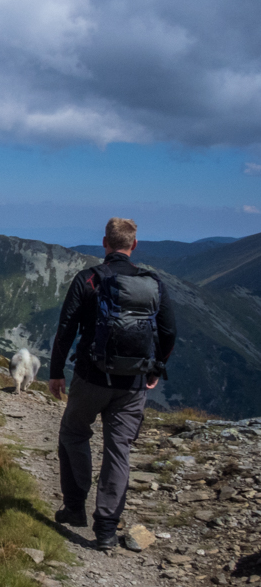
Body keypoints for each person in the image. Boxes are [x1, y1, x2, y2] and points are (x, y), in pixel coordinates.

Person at [48, 218, 177, 550]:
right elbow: (169, 332)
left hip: (91, 378)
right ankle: (106, 529)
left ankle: (75, 507)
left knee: (74, 433)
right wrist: (154, 369)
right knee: (118, 451)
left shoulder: (88, 279)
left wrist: (56, 372)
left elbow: (66, 329)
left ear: (105, 243)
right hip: (133, 385)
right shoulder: (152, 283)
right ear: (134, 246)